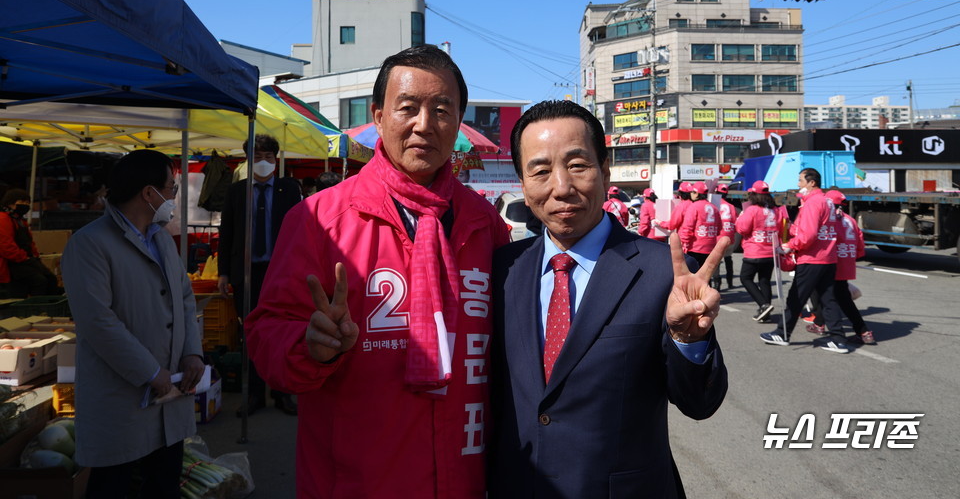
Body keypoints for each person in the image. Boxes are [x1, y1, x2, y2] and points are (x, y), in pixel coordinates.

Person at [245, 45, 510, 498]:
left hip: (462, 478)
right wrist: (310, 346)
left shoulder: (486, 226)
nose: (424, 125)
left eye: (442, 110)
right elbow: (266, 334)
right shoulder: (318, 220)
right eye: (408, 108)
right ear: (380, 115)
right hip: (355, 482)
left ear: (459, 122)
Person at [489, 100, 728, 499]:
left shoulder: (661, 272)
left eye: (578, 165)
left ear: (603, 171)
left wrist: (689, 340)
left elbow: (700, 403)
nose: (561, 186)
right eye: (541, 171)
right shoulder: (502, 270)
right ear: (523, 183)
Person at [61, 150, 205, 499]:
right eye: (170, 188)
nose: (172, 196)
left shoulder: (161, 240)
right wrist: (147, 371)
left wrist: (192, 354)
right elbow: (97, 322)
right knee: (113, 483)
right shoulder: (90, 244)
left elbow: (184, 299)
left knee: (163, 481)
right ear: (148, 193)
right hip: (122, 394)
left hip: (170, 390)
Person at [217, 134, 302, 416]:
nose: (263, 162)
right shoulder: (237, 191)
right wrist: (223, 273)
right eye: (257, 157)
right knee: (250, 334)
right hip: (246, 272)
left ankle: (282, 392)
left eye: (268, 157)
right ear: (248, 160)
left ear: (275, 161)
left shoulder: (289, 189)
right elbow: (226, 232)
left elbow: (300, 231)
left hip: (280, 272)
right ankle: (254, 394)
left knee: (282, 331)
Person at [760, 168, 848, 353]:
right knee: (828, 299)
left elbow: (808, 235)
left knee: (796, 297)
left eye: (800, 180)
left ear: (811, 182)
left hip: (812, 258)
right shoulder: (828, 202)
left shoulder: (812, 203)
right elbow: (831, 231)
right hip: (828, 258)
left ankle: (782, 333)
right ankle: (839, 339)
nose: (798, 184)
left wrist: (789, 245)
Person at [806, 190, 876, 344]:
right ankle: (863, 332)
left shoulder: (830, 220)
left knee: (830, 298)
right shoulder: (850, 220)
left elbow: (821, 241)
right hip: (847, 263)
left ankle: (848, 332)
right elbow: (860, 245)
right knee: (838, 297)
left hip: (830, 263)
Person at [735, 181, 787, 322]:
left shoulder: (752, 210)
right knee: (764, 280)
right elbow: (782, 231)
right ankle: (765, 312)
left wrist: (740, 219)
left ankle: (764, 305)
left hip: (754, 250)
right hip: (770, 251)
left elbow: (743, 229)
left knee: (745, 278)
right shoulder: (776, 210)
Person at [0, 188, 59, 297]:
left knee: (51, 279)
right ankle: (36, 310)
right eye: (22, 202)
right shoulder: (3, 219)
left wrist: (35, 256)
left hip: (25, 259)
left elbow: (29, 242)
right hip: (13, 263)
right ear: (11, 203)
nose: (26, 205)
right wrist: (24, 258)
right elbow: (5, 246)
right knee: (39, 281)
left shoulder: (20, 220)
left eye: (27, 202)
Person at [680, 181, 720, 271]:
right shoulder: (714, 208)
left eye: (692, 192)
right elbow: (719, 228)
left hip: (695, 248)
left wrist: (684, 244)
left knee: (693, 274)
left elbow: (687, 228)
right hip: (710, 247)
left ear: (696, 193)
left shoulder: (694, 207)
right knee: (706, 276)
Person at [714, 183, 739, 290]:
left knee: (716, 261)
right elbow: (735, 221)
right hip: (729, 236)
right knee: (728, 259)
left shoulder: (713, 205)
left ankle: (717, 283)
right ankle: (730, 282)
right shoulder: (731, 206)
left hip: (718, 236)